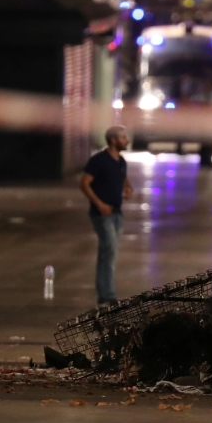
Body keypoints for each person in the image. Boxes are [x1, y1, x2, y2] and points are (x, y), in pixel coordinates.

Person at [80, 126, 132, 305]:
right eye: (123, 137)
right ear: (113, 140)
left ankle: (104, 293)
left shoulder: (121, 162)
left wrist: (127, 188)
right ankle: (108, 294)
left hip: (117, 214)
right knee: (109, 251)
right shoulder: (99, 160)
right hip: (102, 214)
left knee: (108, 253)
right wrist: (99, 204)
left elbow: (123, 179)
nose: (127, 141)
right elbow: (84, 184)